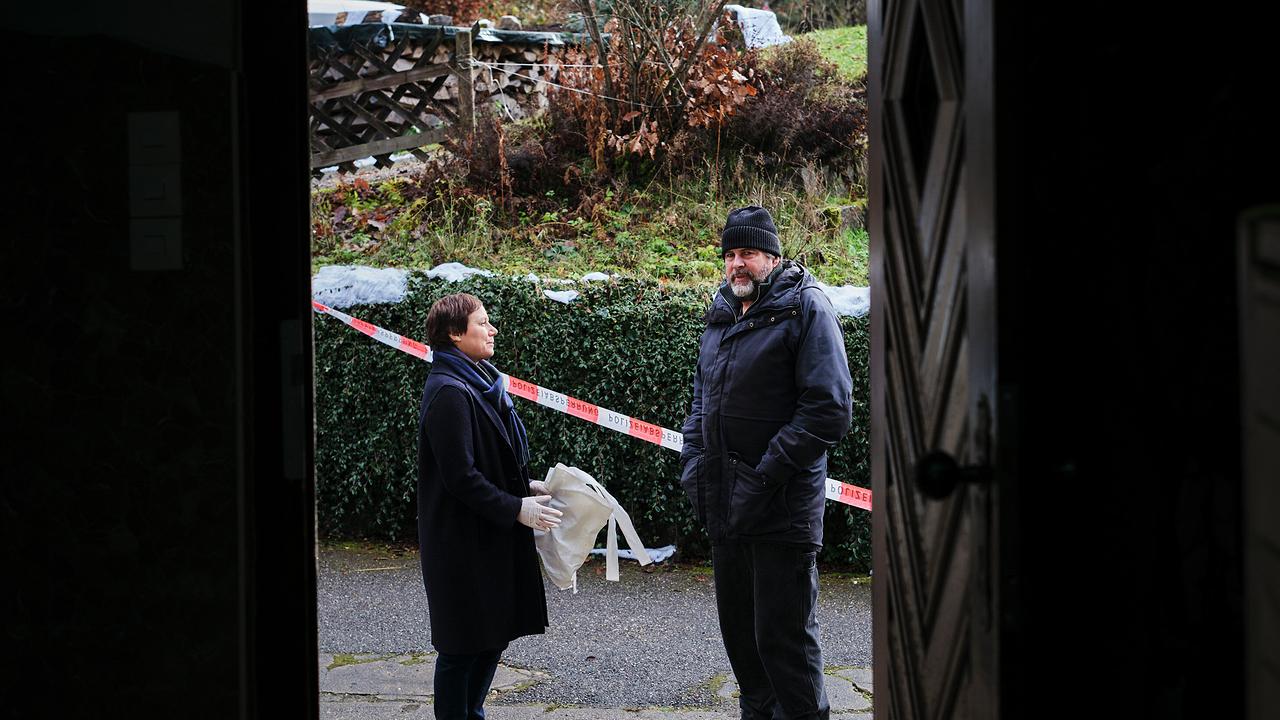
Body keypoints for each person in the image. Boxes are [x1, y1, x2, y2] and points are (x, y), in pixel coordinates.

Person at [680, 205, 853, 720]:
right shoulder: (723, 311)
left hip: (780, 513)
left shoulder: (806, 308)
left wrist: (763, 476)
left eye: (749, 253)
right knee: (746, 654)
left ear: (773, 258)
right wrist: (695, 464)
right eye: (730, 254)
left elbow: (829, 408)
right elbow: (702, 399)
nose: (737, 263)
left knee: (786, 654)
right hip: (727, 510)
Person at [417, 292, 562, 720]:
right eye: (482, 323)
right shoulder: (449, 392)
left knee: (490, 638)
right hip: (461, 544)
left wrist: (525, 486)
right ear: (454, 333)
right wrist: (516, 508)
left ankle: (472, 713)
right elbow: (460, 476)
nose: (492, 329)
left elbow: (484, 461)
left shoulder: (478, 381)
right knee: (462, 647)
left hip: (485, 538)